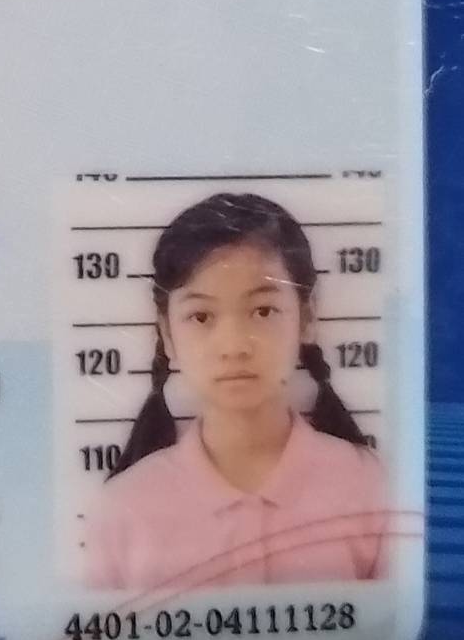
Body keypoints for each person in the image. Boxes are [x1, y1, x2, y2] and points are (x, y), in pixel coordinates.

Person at [84, 193, 388, 591]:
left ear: (307, 316)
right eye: (201, 316)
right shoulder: (123, 509)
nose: (234, 346)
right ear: (167, 334)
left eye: (263, 311)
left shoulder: (371, 487)